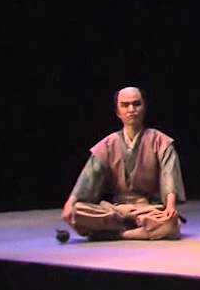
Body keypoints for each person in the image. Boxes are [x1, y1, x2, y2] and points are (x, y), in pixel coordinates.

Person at [61, 87, 186, 240]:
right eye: (125, 105)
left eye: (136, 104)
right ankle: (138, 231)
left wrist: (170, 206)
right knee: (76, 211)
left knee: (170, 223)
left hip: (148, 209)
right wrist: (70, 203)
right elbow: (88, 177)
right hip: (116, 210)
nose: (131, 109)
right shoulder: (108, 144)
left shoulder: (160, 141)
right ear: (118, 112)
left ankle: (117, 233)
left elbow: (169, 176)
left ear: (144, 108)